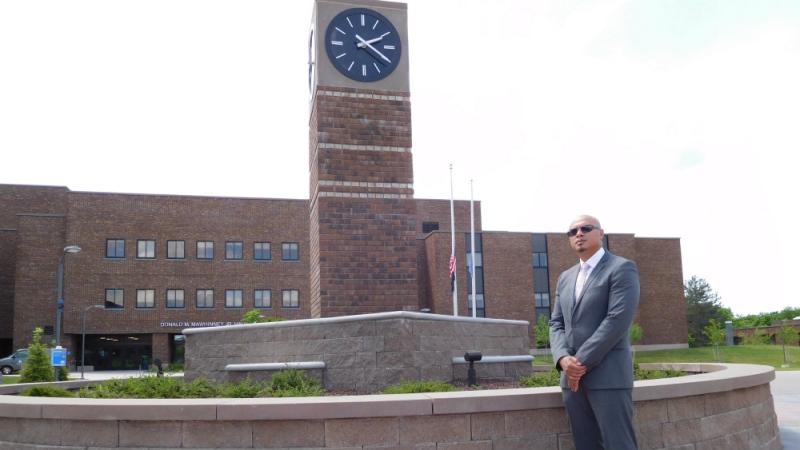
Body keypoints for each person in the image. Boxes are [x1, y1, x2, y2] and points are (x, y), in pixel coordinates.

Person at [549, 215, 640, 450]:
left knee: (619, 445)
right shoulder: (565, 278)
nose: (578, 233)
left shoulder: (621, 268)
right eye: (572, 231)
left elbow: (616, 321)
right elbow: (556, 323)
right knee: (585, 444)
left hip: (608, 377)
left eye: (585, 228)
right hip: (571, 381)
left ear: (601, 233)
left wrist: (578, 363)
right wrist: (562, 359)